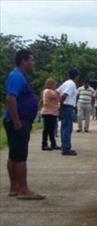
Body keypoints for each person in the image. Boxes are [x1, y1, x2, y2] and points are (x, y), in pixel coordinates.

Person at [4, 49, 46, 200]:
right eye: (31, 60)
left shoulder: (19, 76)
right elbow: (10, 98)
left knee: (14, 155)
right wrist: (17, 122)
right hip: (18, 122)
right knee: (20, 157)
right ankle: (23, 190)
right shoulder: (17, 76)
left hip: (19, 121)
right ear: (23, 61)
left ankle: (14, 187)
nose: (33, 63)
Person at [57, 69, 80, 156]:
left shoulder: (66, 82)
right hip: (67, 107)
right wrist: (61, 104)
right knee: (67, 128)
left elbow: (57, 92)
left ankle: (65, 146)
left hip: (66, 107)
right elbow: (64, 95)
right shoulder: (71, 84)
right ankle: (66, 148)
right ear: (76, 76)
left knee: (64, 127)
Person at [41, 78, 60, 151]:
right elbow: (56, 96)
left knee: (51, 129)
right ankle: (44, 144)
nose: (56, 86)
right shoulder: (48, 91)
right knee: (46, 129)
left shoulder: (50, 91)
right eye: (54, 84)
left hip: (52, 112)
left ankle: (53, 143)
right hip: (48, 112)